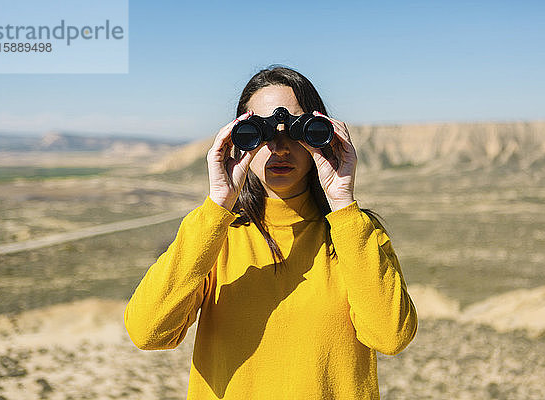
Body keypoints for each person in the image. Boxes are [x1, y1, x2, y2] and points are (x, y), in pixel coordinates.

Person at [124, 65, 418, 399]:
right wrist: (217, 207)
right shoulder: (216, 237)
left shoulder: (356, 235)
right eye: (260, 132)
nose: (279, 147)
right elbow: (148, 332)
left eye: (296, 131)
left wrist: (343, 205)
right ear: (239, 138)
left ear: (319, 136)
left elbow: (391, 336)